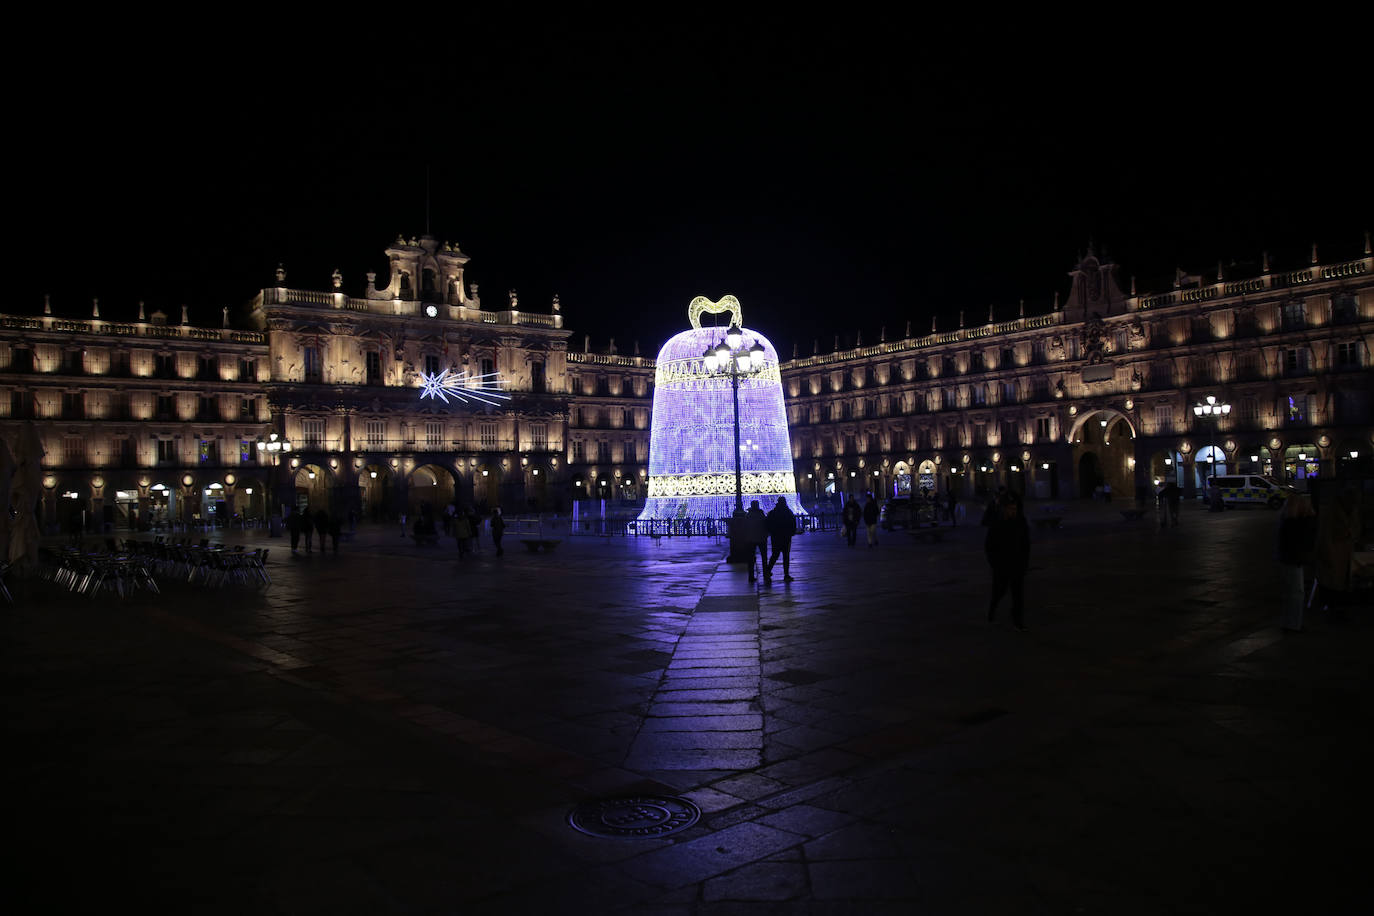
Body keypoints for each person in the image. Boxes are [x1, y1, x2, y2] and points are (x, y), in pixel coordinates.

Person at [1314, 485, 1360, 622]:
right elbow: (1325, 535)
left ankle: (1338, 609)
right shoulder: (1332, 512)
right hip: (1334, 552)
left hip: (1343, 551)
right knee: (1334, 582)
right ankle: (1334, 610)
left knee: (1341, 582)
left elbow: (1355, 528)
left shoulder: (1349, 511)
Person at [985, 492, 1031, 630]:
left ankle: (1018, 620)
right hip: (1002, 566)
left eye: (1015, 509)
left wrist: (1024, 563)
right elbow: (989, 546)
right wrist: (995, 564)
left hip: (1017, 565)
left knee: (1018, 595)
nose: (1013, 511)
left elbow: (1026, 545)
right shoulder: (997, 525)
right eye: (1010, 509)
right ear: (1004, 509)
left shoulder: (1020, 523)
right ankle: (992, 609)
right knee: (999, 591)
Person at [1275, 493, 1317, 631]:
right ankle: (1294, 624)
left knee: (1289, 592)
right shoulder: (1296, 523)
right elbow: (1306, 539)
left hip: (1286, 559)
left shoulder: (1287, 520)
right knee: (1297, 593)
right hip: (1293, 560)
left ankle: (1288, 622)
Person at [765, 496, 796, 582]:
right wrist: (792, 532)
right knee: (786, 556)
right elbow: (793, 523)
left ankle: (767, 571)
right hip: (786, 537)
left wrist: (771, 532)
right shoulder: (788, 512)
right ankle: (786, 574)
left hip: (776, 537)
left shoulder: (773, 513)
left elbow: (768, 523)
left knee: (775, 555)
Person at [744, 499, 769, 582]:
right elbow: (766, 525)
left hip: (751, 539)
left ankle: (751, 576)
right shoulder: (761, 515)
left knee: (751, 559)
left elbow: (745, 528)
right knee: (764, 558)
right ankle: (766, 574)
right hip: (761, 539)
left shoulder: (748, 515)